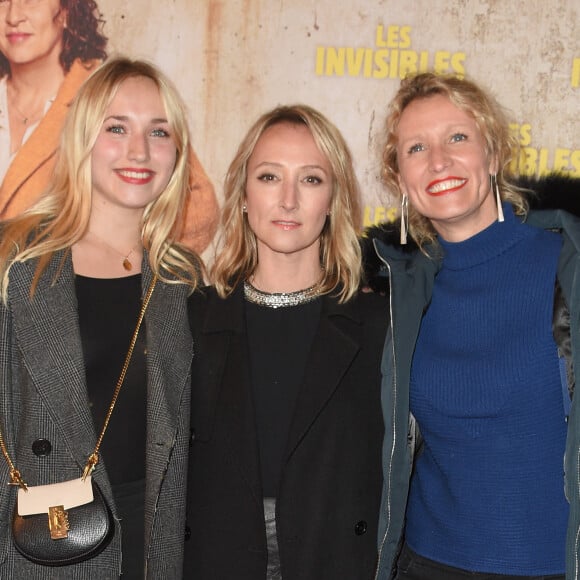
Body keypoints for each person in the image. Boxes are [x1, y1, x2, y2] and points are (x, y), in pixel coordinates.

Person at [371, 72, 580, 579]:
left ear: (492, 154)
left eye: (457, 138)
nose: (438, 161)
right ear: (401, 179)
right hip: (425, 563)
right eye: (416, 148)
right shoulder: (397, 291)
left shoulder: (567, 264)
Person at [0, 56, 202, 578]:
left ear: (177, 152)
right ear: (83, 138)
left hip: (155, 542)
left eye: (159, 132)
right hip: (42, 541)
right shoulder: (16, 262)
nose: (140, 151)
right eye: (117, 128)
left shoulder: (184, 278)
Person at [183, 104, 387, 579]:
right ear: (243, 194)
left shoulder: (380, 325)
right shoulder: (192, 320)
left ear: (334, 198)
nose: (289, 200)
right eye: (270, 177)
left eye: (311, 179)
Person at [0, 0, 218, 253]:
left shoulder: (109, 91)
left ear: (67, 10)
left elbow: (199, 207)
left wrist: (121, 276)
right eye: (2, 1)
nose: (14, 16)